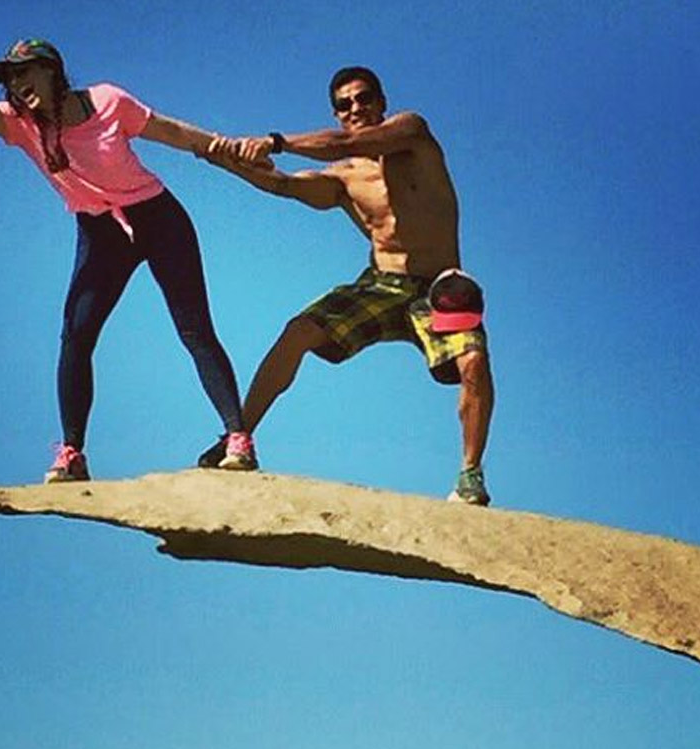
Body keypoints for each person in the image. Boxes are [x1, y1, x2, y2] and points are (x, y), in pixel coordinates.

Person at [0, 39, 258, 482]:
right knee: (76, 334)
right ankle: (73, 454)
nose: (18, 86)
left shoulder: (107, 101)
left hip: (159, 219)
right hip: (100, 233)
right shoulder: (18, 125)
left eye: (25, 73)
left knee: (194, 330)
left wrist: (221, 146)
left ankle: (238, 439)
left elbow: (169, 132)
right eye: (11, 79)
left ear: (53, 70)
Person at [200, 66, 495, 504]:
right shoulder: (345, 178)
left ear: (381, 103)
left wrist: (276, 142)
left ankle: (470, 477)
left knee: (473, 362)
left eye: (363, 99)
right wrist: (227, 161)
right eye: (344, 104)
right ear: (336, 113)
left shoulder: (413, 134)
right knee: (298, 332)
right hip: (380, 283)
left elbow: (351, 142)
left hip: (438, 288)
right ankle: (237, 440)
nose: (355, 109)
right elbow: (282, 183)